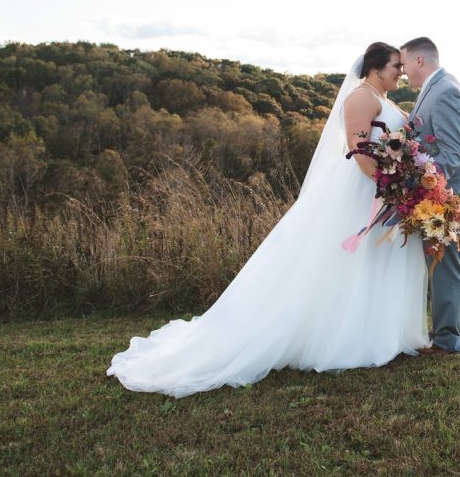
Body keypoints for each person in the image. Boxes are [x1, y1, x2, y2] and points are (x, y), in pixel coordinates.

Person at [106, 42, 429, 397]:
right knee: (345, 263)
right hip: (363, 190)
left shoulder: (382, 97)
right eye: (395, 65)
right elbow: (360, 151)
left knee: (372, 262)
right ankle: (345, 336)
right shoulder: (362, 97)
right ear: (375, 66)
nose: (400, 71)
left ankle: (375, 331)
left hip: (380, 190)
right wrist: (389, 184)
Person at [400, 37, 460, 356]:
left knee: (445, 266)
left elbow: (453, 154)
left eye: (405, 64)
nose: (403, 72)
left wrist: (416, 183)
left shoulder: (446, 91)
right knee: (439, 264)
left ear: (419, 60)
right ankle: (443, 335)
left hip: (448, 197)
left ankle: (448, 340)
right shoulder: (433, 88)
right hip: (436, 194)